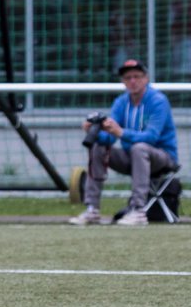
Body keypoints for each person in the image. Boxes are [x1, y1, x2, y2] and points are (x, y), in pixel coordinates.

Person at [69, 59, 179, 227]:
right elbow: (110, 139)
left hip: (162, 157)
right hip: (132, 157)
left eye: (137, 76)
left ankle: (138, 210)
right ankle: (92, 209)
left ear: (146, 78)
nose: (133, 81)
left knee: (139, 148)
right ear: (123, 81)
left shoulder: (158, 101)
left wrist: (120, 131)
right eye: (128, 78)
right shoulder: (121, 102)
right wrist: (94, 133)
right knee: (99, 147)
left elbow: (152, 137)